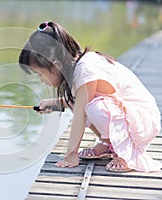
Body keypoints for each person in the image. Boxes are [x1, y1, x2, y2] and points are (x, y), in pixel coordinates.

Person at [18, 21, 161, 172]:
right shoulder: (76, 70)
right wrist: (56, 104)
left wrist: (71, 155)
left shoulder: (86, 69)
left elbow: (79, 116)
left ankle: (126, 153)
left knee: (93, 108)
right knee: (86, 105)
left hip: (142, 121)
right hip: (129, 118)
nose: (41, 80)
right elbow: (77, 101)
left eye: (40, 74)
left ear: (57, 65)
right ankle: (110, 145)